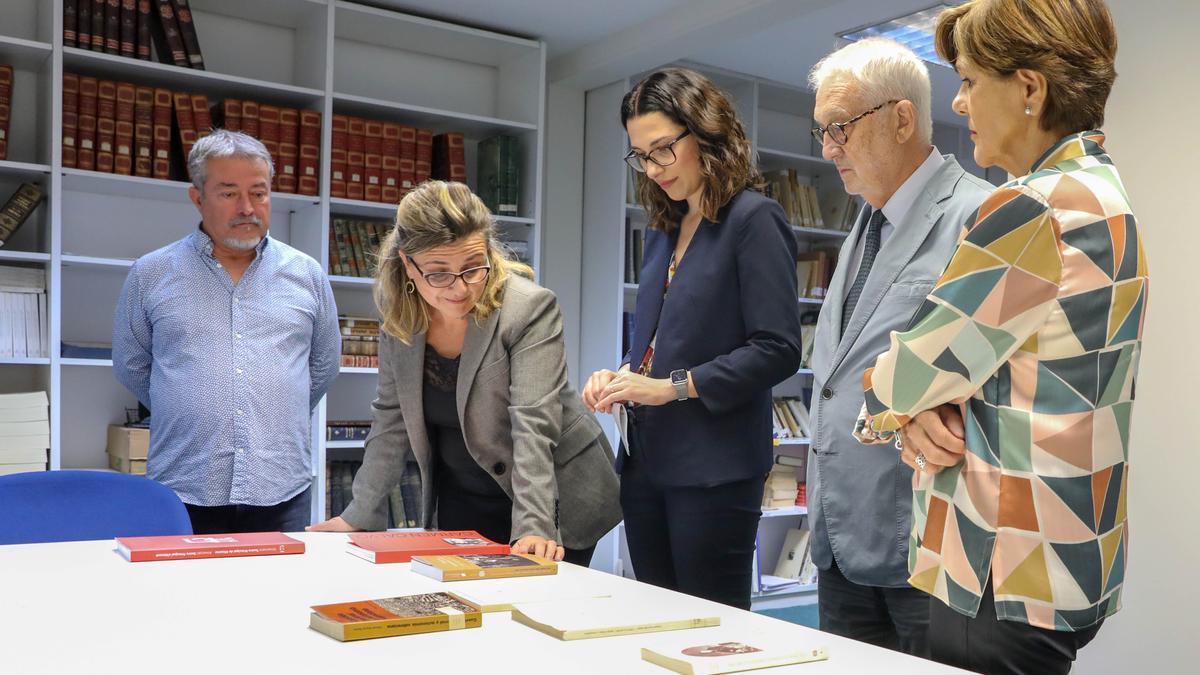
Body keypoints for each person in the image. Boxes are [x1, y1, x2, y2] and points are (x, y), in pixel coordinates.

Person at [856, 1, 1145, 673]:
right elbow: (1011, 368)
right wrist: (921, 408)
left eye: (968, 81)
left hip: (999, 567)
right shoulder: (1106, 195)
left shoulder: (1031, 209)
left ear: (1029, 90)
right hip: (1071, 557)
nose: (958, 104)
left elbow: (906, 373)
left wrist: (894, 402)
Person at [309, 181, 621, 566]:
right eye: (439, 273)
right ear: (408, 264)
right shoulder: (401, 321)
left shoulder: (528, 309)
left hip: (553, 494)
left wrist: (535, 524)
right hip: (463, 494)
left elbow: (533, 422)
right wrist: (359, 516)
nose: (460, 288)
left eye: (473, 267)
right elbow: (391, 420)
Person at [583, 68, 802, 609]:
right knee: (656, 620)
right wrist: (623, 375)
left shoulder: (755, 219)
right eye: (641, 156)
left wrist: (672, 387)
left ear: (704, 131)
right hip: (644, 463)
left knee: (712, 633)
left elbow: (778, 348)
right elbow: (664, 340)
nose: (653, 169)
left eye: (663, 150)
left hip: (715, 470)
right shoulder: (663, 226)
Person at [803, 38, 992, 656]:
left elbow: (1005, 375)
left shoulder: (980, 215)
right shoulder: (864, 223)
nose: (829, 149)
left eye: (840, 129)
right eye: (822, 132)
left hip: (926, 541)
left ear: (902, 118)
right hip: (840, 535)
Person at [113, 129, 341, 534]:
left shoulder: (306, 274)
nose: (248, 207)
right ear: (197, 197)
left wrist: (270, 407)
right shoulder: (151, 273)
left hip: (281, 486)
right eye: (229, 193)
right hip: (184, 486)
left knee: (276, 597)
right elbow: (132, 366)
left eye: (259, 192)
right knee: (180, 596)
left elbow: (321, 366)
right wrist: (186, 401)